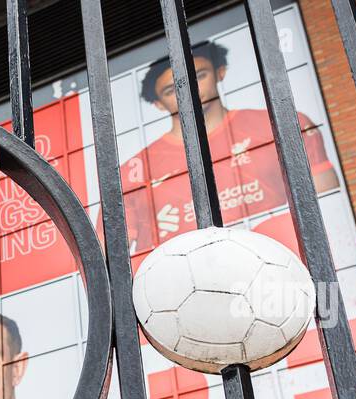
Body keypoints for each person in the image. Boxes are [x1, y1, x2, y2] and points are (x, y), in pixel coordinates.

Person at [119, 41, 339, 256]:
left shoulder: (282, 126)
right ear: (158, 103)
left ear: (220, 72)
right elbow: (107, 260)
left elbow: (329, 210)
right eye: (170, 89)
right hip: (184, 286)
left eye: (200, 75)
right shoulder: (133, 172)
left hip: (279, 269)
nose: (188, 90)